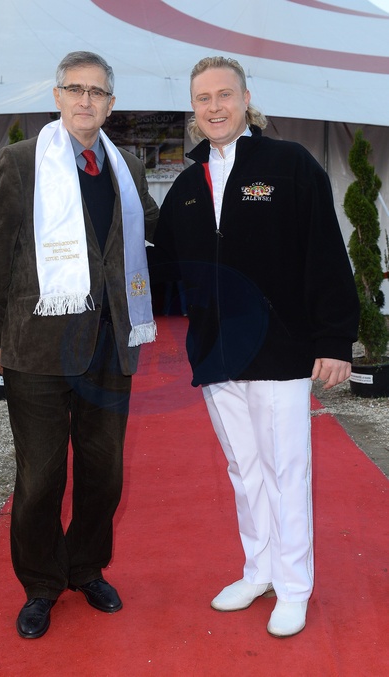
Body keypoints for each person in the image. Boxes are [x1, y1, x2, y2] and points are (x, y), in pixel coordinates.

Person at [152, 56, 359, 638]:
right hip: (217, 354)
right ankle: (259, 570)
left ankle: (293, 586)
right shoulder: (187, 186)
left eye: (224, 94)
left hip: (281, 350)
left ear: (246, 98)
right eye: (203, 98)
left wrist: (334, 338)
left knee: (285, 470)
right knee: (244, 470)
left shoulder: (289, 164)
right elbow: (163, 265)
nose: (214, 107)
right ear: (192, 109)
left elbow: (325, 252)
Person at [0, 51, 159, 639]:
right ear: (57, 96)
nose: (85, 100)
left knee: (104, 474)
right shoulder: (22, 161)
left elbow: (154, 230)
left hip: (110, 346)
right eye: (75, 89)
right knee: (41, 478)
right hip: (37, 347)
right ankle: (41, 584)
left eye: (97, 92)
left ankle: (86, 568)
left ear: (111, 103)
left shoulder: (128, 167)